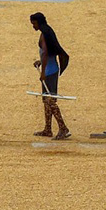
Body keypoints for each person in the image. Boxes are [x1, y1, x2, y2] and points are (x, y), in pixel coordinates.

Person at [30, 12, 70, 140]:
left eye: (34, 23)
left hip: (49, 72)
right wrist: (40, 62)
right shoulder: (47, 32)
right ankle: (48, 128)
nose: (33, 26)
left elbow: (46, 53)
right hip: (49, 69)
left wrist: (42, 72)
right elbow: (48, 53)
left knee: (50, 101)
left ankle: (63, 128)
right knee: (46, 101)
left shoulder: (45, 35)